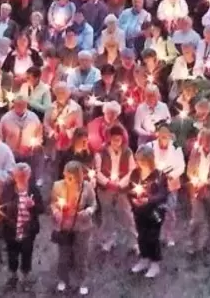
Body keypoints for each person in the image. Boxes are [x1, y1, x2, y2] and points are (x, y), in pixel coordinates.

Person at [50, 160, 97, 296]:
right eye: (66, 175)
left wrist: (87, 212)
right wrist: (55, 211)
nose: (67, 179)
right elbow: (53, 203)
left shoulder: (86, 187)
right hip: (64, 227)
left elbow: (93, 204)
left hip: (82, 227)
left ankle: (82, 281)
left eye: (70, 177)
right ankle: (63, 279)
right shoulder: (57, 186)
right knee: (63, 256)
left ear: (78, 176)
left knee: (81, 256)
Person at [0, 163, 44, 290]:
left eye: (24, 176)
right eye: (19, 176)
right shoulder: (8, 188)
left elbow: (42, 209)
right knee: (12, 254)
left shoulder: (33, 189)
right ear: (14, 176)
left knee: (26, 254)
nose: (22, 178)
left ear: (29, 176)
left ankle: (25, 278)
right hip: (11, 228)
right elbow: (1, 205)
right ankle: (12, 277)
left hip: (28, 230)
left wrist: (33, 205)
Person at [94, 125, 137, 253]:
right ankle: (108, 239)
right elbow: (97, 171)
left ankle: (134, 241)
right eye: (113, 140)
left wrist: (121, 184)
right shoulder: (101, 152)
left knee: (127, 215)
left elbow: (131, 171)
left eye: (118, 140)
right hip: (105, 189)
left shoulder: (127, 152)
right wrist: (107, 183)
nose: (116, 143)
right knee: (107, 215)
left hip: (121, 190)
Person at [128, 146, 168, 278]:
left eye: (142, 161)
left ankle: (155, 263)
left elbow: (163, 194)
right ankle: (144, 258)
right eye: (138, 160)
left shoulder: (159, 175)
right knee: (141, 235)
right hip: (139, 211)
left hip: (155, 212)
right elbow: (130, 190)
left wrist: (148, 200)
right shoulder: (135, 173)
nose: (140, 163)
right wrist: (133, 200)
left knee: (153, 237)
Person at [186, 128, 210, 257]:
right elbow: (190, 170)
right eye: (204, 139)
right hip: (197, 190)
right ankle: (193, 244)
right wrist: (196, 181)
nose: (207, 142)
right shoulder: (195, 152)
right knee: (197, 219)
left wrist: (207, 182)